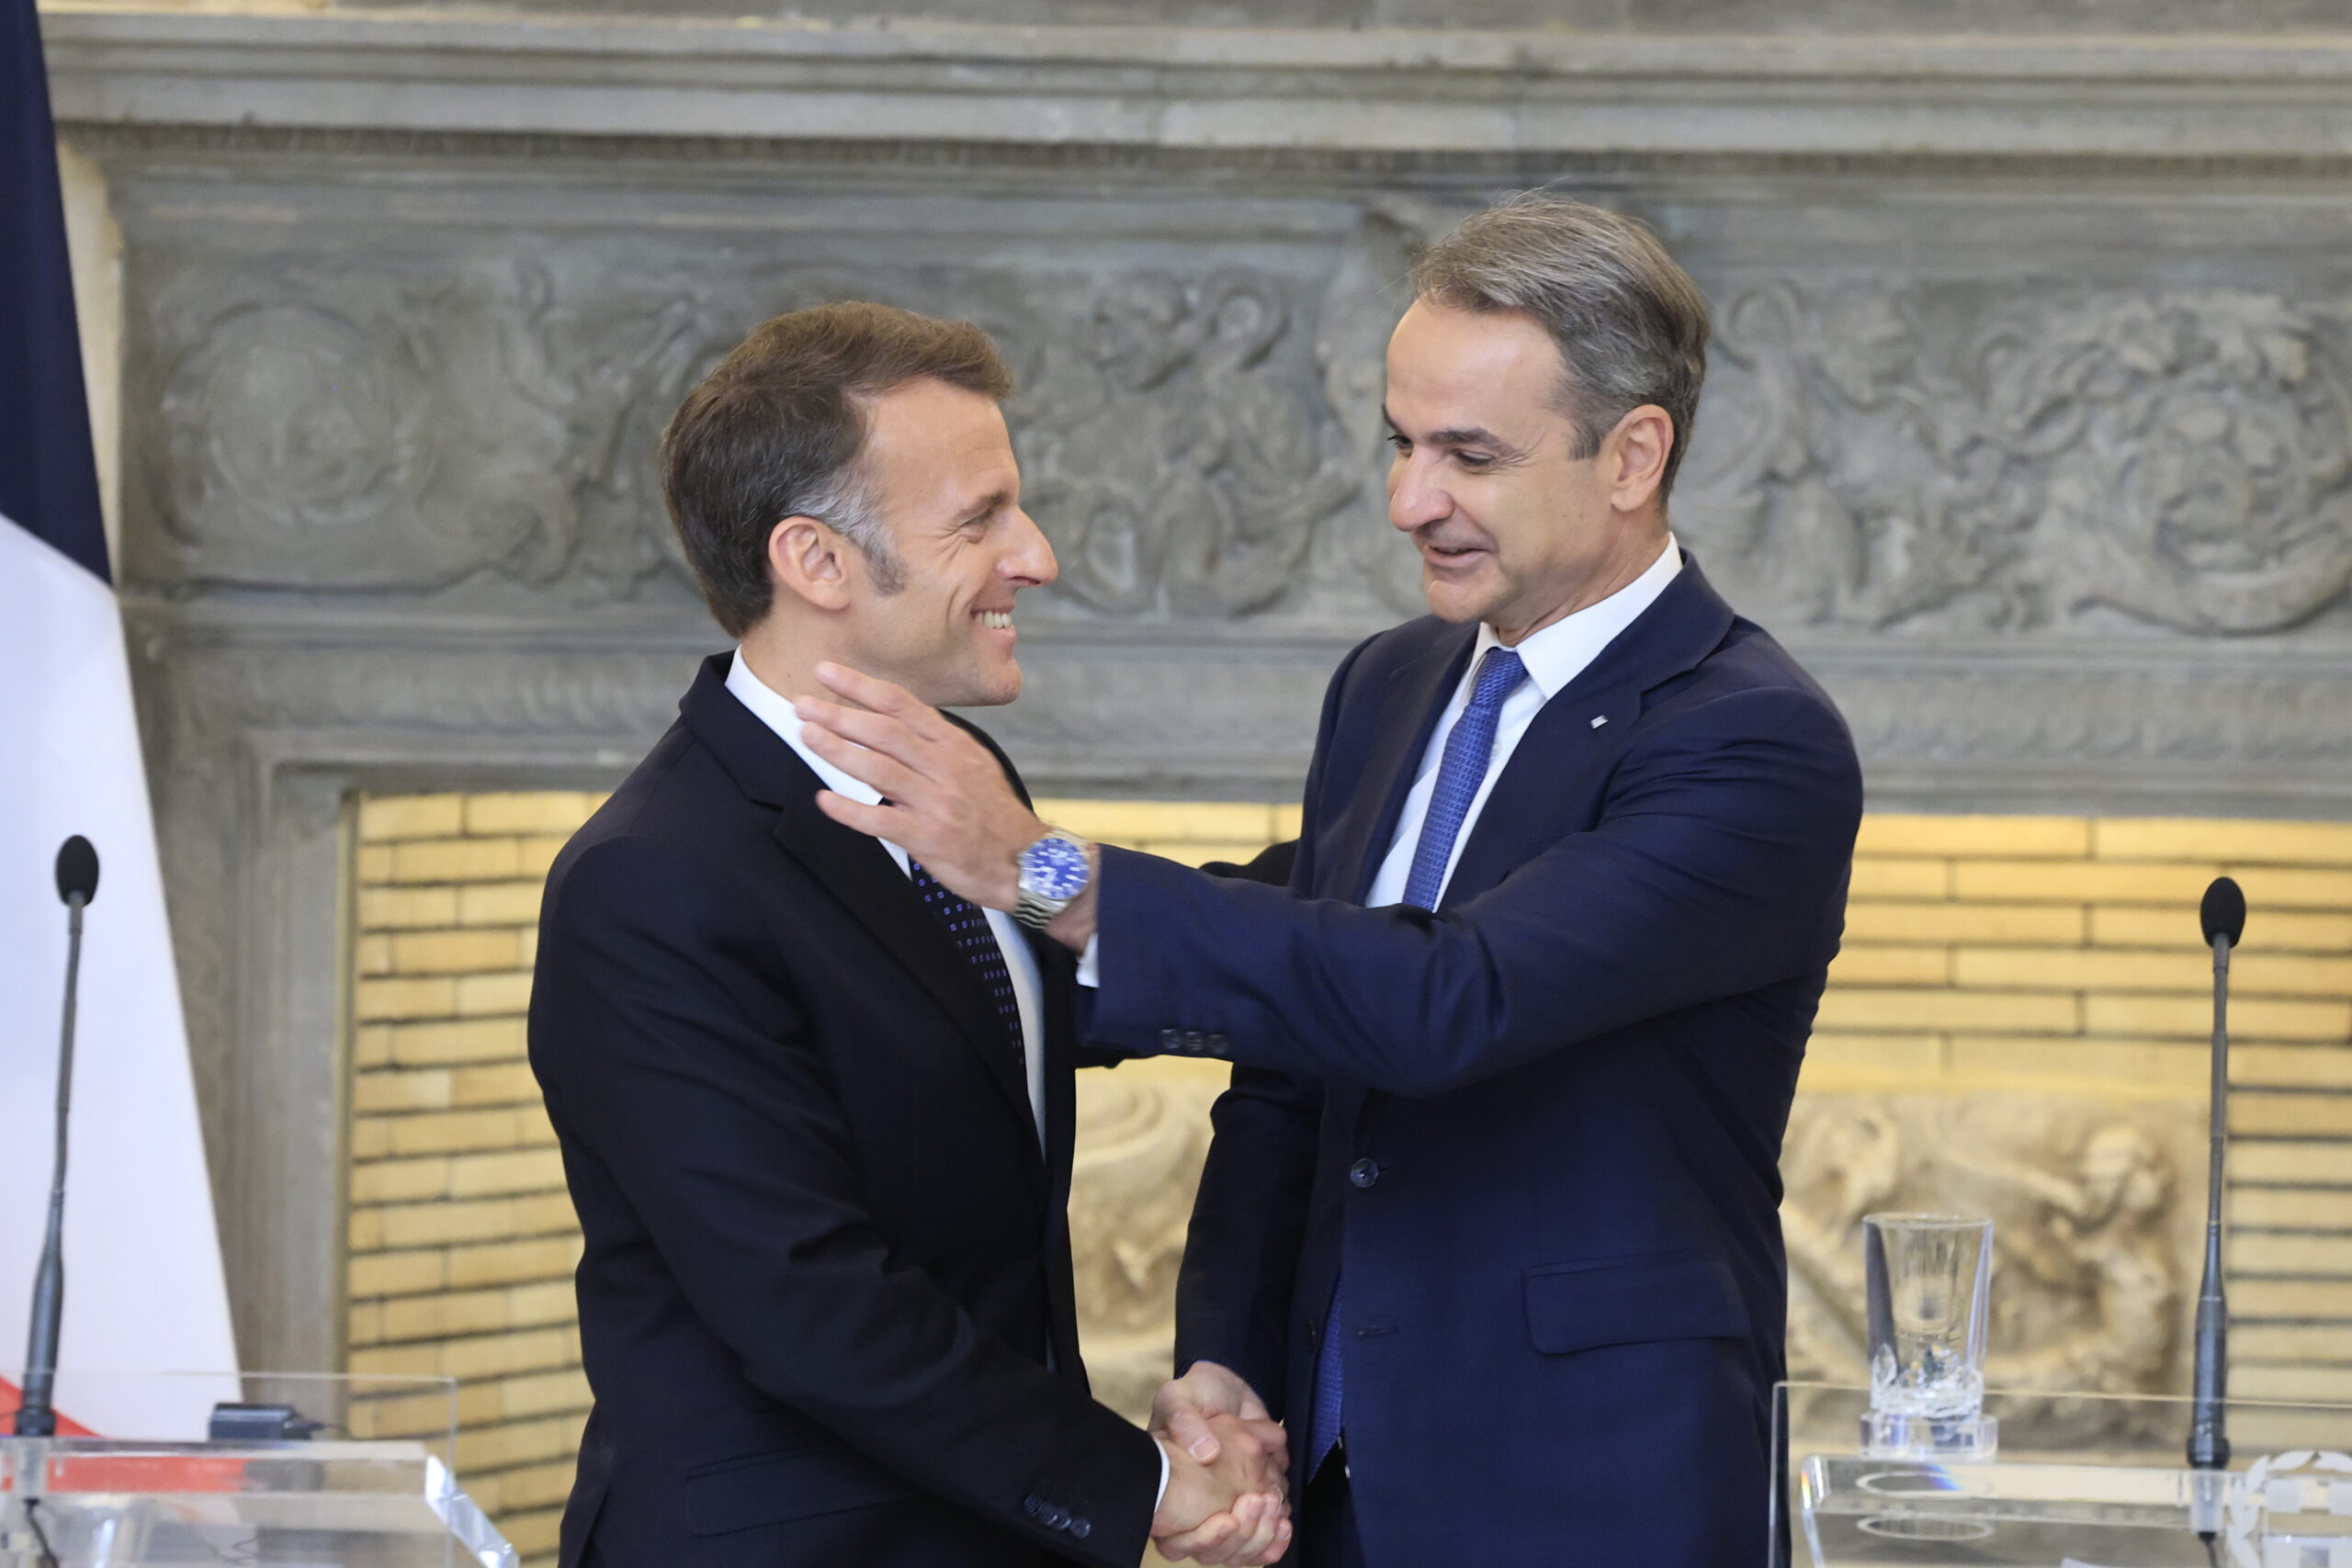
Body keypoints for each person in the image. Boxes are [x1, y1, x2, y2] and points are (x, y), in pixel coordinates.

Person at [791, 196, 1866, 1566]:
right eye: (1402, 443)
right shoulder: (1391, 682)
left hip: (1592, 1499)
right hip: (1331, 1487)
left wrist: (1045, 870)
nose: (1410, 501)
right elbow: (1293, 1065)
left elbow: (1445, 1000)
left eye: (1469, 455)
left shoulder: (1751, 738)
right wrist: (1228, 1360)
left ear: (1632, 455)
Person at [527, 302, 1290, 1568]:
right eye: (980, 519)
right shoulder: (650, 883)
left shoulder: (952, 785)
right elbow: (815, 1308)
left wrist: (1372, 868)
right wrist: (1146, 1484)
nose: (1036, 556)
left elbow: (1053, 959)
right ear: (817, 562)